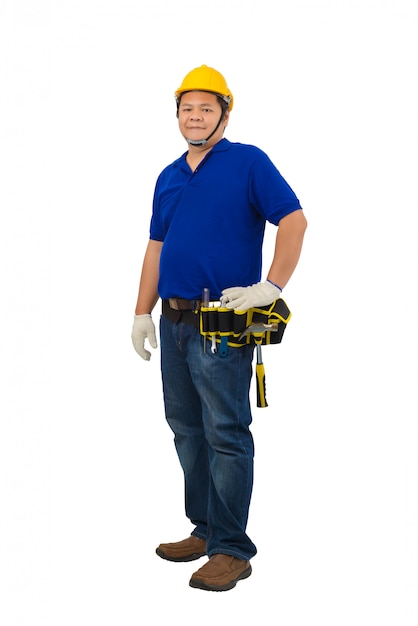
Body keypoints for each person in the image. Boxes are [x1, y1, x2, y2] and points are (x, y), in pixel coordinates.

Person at [131, 65, 307, 592]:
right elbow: (156, 249)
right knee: (186, 429)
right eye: (188, 109)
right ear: (178, 115)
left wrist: (272, 287)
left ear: (225, 114)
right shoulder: (168, 174)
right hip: (176, 320)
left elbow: (294, 219)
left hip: (221, 325)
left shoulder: (248, 162)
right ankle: (205, 530)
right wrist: (142, 311)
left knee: (226, 434)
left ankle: (232, 548)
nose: (196, 116)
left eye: (206, 108)